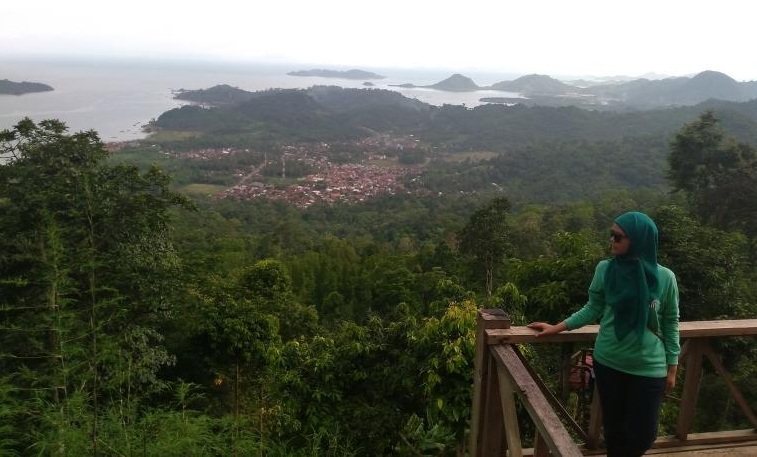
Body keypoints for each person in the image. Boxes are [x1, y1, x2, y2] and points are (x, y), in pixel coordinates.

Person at [528, 211, 680, 457]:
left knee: (643, 435)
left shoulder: (664, 278)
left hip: (649, 367)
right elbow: (593, 308)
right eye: (611, 235)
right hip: (609, 362)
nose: (611, 240)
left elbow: (671, 321)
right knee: (614, 431)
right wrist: (556, 327)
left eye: (617, 237)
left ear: (639, 240)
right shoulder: (605, 270)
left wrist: (672, 366)